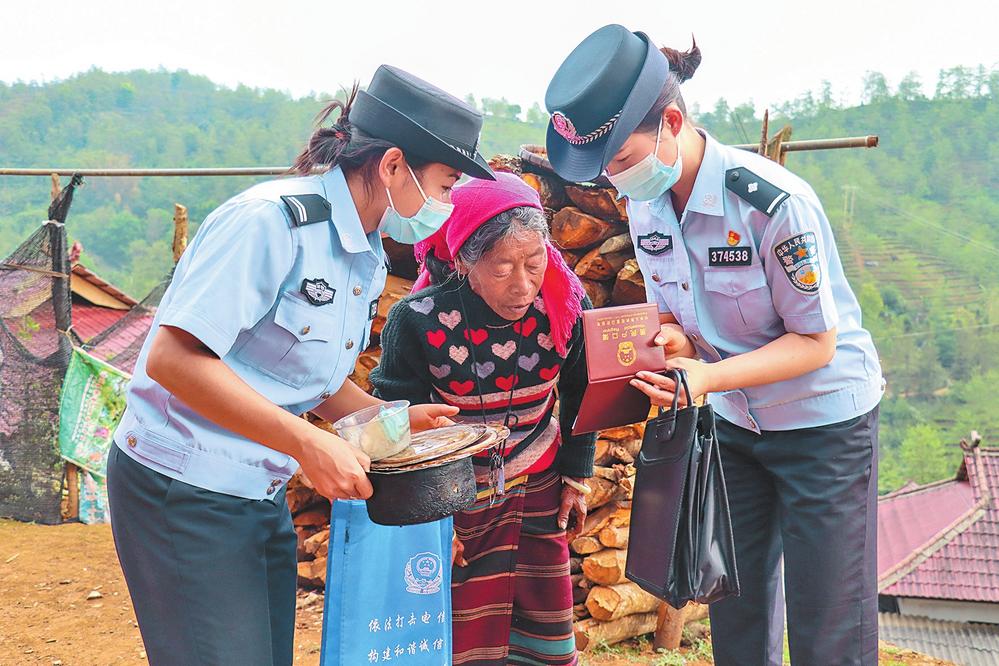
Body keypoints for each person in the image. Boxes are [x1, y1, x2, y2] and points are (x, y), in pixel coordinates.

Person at [105, 65, 494, 666]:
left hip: (257, 487)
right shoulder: (270, 223)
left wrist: (385, 417)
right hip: (183, 482)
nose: (445, 206)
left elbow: (301, 374)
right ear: (393, 165)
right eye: (445, 186)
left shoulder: (363, 249)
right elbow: (173, 359)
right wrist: (309, 445)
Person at [545, 25, 885, 666]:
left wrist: (703, 379)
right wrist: (673, 341)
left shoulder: (771, 206)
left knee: (829, 621)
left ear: (671, 123)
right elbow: (681, 318)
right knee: (737, 607)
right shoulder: (647, 206)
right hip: (735, 424)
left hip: (823, 426)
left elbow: (815, 343)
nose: (616, 179)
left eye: (622, 159)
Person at [370, 172, 595, 666]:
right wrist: (429, 522)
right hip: (452, 496)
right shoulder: (419, 319)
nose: (523, 285)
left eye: (534, 263)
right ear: (464, 262)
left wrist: (577, 476)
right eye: (502, 268)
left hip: (538, 488)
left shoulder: (565, 307)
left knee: (542, 633)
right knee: (459, 637)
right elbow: (395, 416)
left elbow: (582, 391)